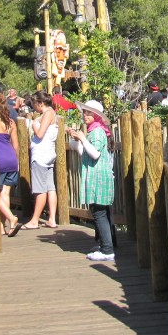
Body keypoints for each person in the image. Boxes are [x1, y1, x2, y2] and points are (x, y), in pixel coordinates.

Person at [67, 99, 116, 262]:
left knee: (99, 212)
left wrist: (82, 138)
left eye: (88, 112)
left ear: (97, 115)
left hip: (99, 177)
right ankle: (106, 244)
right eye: (84, 112)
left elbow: (95, 154)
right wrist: (76, 140)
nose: (85, 115)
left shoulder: (97, 132)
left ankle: (107, 249)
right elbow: (85, 153)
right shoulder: (94, 131)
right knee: (101, 211)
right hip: (97, 176)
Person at [17, 90, 58, 231]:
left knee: (40, 189)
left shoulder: (47, 113)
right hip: (48, 154)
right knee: (50, 187)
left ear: (40, 103)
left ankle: (34, 220)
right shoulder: (50, 113)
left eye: (34, 104)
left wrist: (34, 125)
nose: (33, 107)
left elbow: (40, 134)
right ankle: (52, 219)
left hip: (41, 155)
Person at [0, 92, 21, 236]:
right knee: (5, 194)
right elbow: (16, 145)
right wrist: (17, 161)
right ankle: (3, 227)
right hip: (11, 159)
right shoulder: (10, 122)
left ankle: (11, 218)